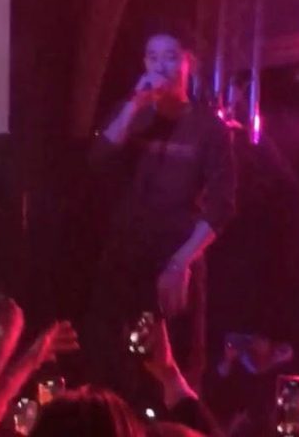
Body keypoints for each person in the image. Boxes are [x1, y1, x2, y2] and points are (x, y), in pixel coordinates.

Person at [87, 23, 236, 401]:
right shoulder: (130, 114)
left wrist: (180, 263)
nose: (160, 66)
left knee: (177, 370)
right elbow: (98, 161)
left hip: (177, 258)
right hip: (125, 258)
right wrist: (134, 106)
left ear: (189, 64)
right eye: (152, 57)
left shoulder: (208, 129)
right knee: (115, 368)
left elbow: (221, 205)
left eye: (170, 57)